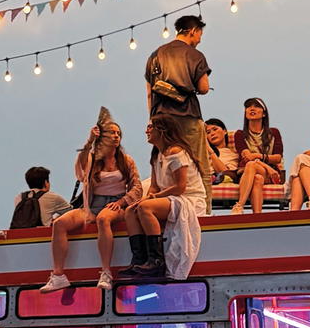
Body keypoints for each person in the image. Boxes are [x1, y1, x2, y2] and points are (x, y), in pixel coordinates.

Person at [41, 111, 141, 291]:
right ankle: (58, 275)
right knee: (60, 223)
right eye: (111, 132)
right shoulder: (92, 159)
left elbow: (137, 187)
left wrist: (122, 201)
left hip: (115, 203)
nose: (116, 136)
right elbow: (80, 172)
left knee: (104, 219)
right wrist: (89, 142)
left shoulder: (126, 161)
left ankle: (106, 272)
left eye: (118, 133)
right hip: (91, 205)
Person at [143, 16, 212, 207]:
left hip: (161, 120)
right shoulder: (194, 55)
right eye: (199, 34)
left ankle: (165, 207)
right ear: (192, 31)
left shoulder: (155, 55)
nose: (199, 39)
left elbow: (149, 92)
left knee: (162, 164)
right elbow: (204, 87)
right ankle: (203, 212)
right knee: (200, 164)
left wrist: (152, 119)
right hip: (187, 116)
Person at [145, 117, 204, 281]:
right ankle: (142, 258)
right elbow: (155, 186)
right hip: (170, 198)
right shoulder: (157, 155)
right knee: (132, 211)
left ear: (162, 130)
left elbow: (181, 186)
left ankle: (156, 259)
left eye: (150, 127)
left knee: (145, 208)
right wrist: (148, 197)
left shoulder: (176, 152)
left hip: (188, 199)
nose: (147, 131)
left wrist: (153, 199)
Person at [233, 97, 284, 216]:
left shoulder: (274, 133)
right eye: (248, 107)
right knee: (257, 178)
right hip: (250, 172)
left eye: (256, 106)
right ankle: (257, 216)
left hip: (270, 174)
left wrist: (258, 156)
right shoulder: (240, 134)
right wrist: (266, 165)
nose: (251, 108)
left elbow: (277, 158)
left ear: (264, 113)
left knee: (252, 165)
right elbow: (246, 156)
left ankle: (239, 205)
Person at [206, 120, 241, 193]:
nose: (212, 134)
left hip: (218, 178)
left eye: (215, 129)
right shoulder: (202, 152)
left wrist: (210, 151)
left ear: (224, 131)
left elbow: (225, 172)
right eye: (208, 132)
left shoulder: (232, 154)